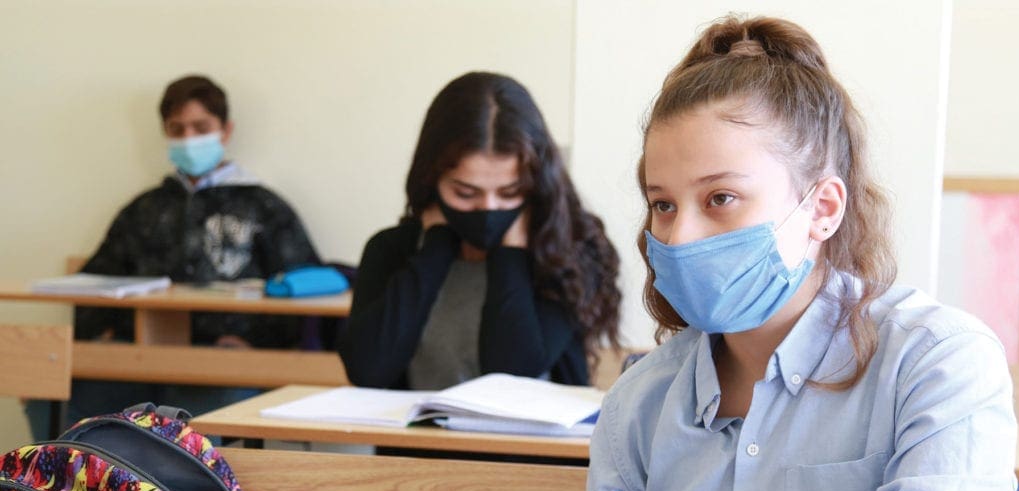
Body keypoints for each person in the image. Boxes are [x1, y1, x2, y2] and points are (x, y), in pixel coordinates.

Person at [496, 15, 1017, 491]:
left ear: (822, 209)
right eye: (662, 203)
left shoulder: (939, 359)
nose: (678, 236)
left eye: (720, 198)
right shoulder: (639, 403)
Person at [25, 74, 322, 439]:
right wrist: (102, 334)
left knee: (186, 433)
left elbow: (306, 286)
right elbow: (95, 283)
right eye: (177, 129)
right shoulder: (145, 209)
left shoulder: (263, 207)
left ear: (225, 131)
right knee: (48, 394)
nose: (189, 138)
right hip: (139, 362)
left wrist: (258, 343)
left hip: (222, 364)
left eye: (201, 127)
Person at [338, 72, 621, 391]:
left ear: (536, 184)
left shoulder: (569, 251)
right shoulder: (391, 249)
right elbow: (367, 370)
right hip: (419, 441)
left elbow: (512, 376)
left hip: (526, 442)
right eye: (465, 193)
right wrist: (435, 249)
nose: (489, 208)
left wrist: (511, 253)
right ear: (432, 180)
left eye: (510, 192)